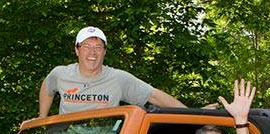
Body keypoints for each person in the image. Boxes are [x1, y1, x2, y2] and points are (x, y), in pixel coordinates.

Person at [39, 26, 186, 117]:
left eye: (98, 47)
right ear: (77, 50)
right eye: (86, 46)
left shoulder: (117, 78)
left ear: (104, 52)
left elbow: (153, 95)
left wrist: (193, 112)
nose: (92, 52)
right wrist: (41, 117)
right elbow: (47, 88)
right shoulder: (61, 74)